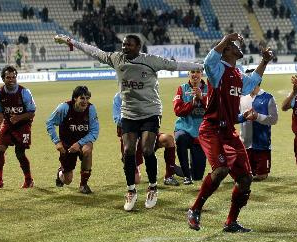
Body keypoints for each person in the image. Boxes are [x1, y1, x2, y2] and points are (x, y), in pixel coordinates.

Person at [54, 33, 202, 211]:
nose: (125, 48)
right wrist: (72, 42)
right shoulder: (117, 59)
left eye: (129, 45)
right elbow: (94, 52)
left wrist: (202, 66)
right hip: (129, 113)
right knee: (128, 151)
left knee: (147, 150)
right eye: (124, 44)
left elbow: (175, 65)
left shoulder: (150, 60)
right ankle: (131, 191)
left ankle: (153, 187)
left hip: (150, 112)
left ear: (138, 47)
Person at [187, 33, 273, 233]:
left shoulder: (237, 74)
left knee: (245, 179)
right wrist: (226, 39)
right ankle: (194, 209)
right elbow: (208, 62)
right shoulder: (217, 70)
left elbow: (252, 82)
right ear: (226, 50)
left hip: (228, 132)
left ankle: (231, 222)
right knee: (221, 169)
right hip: (212, 129)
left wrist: (265, 61)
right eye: (234, 45)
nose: (239, 47)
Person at [112, 92, 180, 187]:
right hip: (132, 139)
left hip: (147, 135)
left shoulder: (148, 92)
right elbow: (117, 119)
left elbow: (157, 112)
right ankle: (130, 162)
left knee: (168, 139)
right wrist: (134, 121)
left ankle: (169, 175)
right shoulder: (119, 97)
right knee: (136, 180)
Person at [0, 65, 36, 190]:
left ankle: (29, 180)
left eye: (13, 77)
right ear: (3, 79)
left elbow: (31, 113)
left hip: (23, 125)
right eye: (8, 77)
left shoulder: (24, 92)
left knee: (19, 153)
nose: (11, 80)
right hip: (8, 124)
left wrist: (18, 118)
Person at [46, 86, 98, 194]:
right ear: (75, 98)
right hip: (67, 146)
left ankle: (83, 185)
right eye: (82, 98)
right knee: (67, 180)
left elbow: (94, 132)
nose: (85, 101)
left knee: (88, 150)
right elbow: (50, 123)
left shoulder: (91, 109)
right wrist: (57, 142)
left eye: (87, 98)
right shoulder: (64, 108)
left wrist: (79, 144)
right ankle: (61, 172)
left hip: (83, 141)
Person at [238, 68, 278, 181]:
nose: (243, 81)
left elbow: (274, 120)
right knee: (244, 175)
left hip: (262, 146)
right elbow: (233, 117)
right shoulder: (240, 98)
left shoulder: (268, 98)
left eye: (246, 79)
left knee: (261, 176)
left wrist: (257, 117)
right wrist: (243, 117)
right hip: (245, 145)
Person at [173, 70, 208, 185]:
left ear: (201, 74)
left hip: (201, 133)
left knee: (198, 176)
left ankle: (180, 170)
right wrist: (192, 103)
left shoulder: (208, 89)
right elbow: (178, 111)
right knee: (180, 138)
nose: (195, 75)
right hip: (184, 129)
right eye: (192, 72)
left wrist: (201, 98)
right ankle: (186, 176)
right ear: (188, 74)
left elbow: (214, 110)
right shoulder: (182, 89)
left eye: (198, 72)